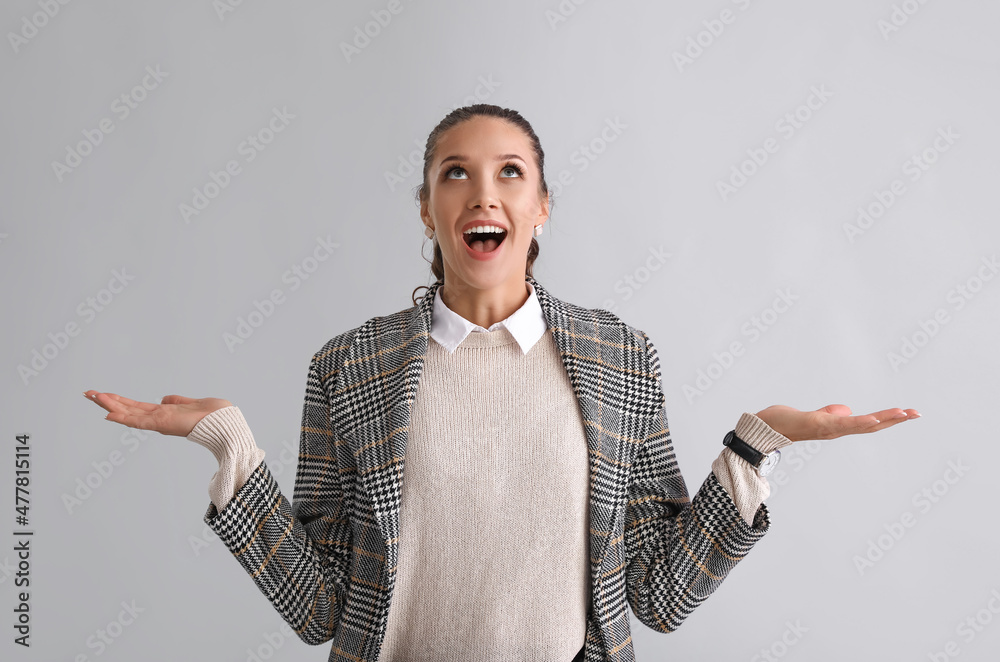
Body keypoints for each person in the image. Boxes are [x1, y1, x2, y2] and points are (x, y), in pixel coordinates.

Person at [84, 104, 918, 662]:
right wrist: (230, 445)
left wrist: (754, 447)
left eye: (509, 172)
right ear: (425, 208)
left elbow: (657, 593)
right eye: (455, 172)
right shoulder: (348, 366)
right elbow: (322, 610)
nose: (483, 191)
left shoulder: (621, 357)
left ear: (543, 205)